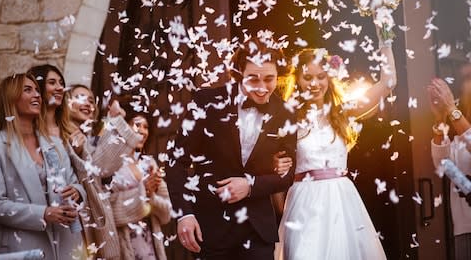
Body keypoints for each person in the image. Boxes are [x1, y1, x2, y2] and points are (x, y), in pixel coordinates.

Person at [166, 35, 297, 260]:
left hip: (258, 231)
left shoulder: (286, 113)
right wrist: (184, 214)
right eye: (253, 79)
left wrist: (251, 185)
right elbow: (176, 160)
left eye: (269, 79)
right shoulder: (206, 101)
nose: (263, 88)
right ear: (238, 74)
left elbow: (287, 175)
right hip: (211, 228)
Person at [275, 29, 396, 259]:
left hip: (341, 199)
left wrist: (384, 37)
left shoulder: (342, 112)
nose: (314, 83)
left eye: (321, 76)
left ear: (329, 78)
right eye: (307, 77)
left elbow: (388, 82)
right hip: (303, 202)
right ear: (297, 80)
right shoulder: (287, 118)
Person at [0, 73, 86, 259]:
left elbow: (76, 182)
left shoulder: (55, 144)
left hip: (68, 244)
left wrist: (76, 191)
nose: (37, 95)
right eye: (28, 90)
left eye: (36, 90)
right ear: (11, 98)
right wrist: (43, 213)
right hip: (25, 246)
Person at [65, 85, 144, 259]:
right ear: (66, 102)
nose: (87, 104)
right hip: (74, 229)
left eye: (91, 100)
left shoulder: (89, 139)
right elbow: (99, 166)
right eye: (80, 98)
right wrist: (115, 121)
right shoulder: (63, 137)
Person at [110, 108, 171, 259]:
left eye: (146, 127)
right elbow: (108, 210)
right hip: (123, 243)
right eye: (137, 125)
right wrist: (142, 190)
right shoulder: (110, 164)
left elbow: (166, 213)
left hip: (151, 243)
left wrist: (151, 195)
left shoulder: (149, 163)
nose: (143, 131)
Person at [428, 64, 471, 260]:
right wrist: (439, 118)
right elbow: (444, 167)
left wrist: (453, 110)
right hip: (464, 228)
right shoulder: (457, 140)